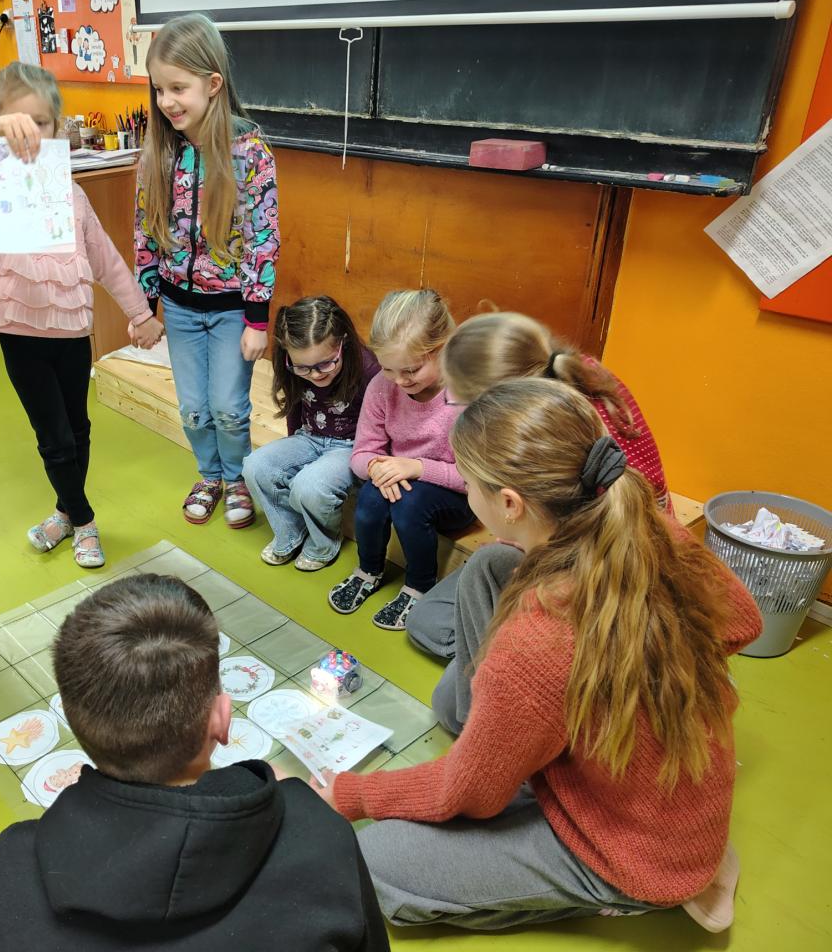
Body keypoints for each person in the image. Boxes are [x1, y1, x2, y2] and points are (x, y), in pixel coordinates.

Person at [306, 379, 760, 933]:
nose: (465, 491)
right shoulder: (641, 522)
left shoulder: (539, 641)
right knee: (489, 568)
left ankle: (631, 894)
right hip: (647, 787)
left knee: (370, 862)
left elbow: (467, 793)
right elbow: (745, 622)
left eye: (467, 481)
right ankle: (510, 745)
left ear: (509, 504)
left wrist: (347, 794)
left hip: (635, 849)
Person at [0, 573, 388, 951]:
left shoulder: (10, 865)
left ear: (77, 726)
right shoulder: (319, 834)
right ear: (221, 720)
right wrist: (290, 798)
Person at [0, 62, 163, 569]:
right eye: (17, 123)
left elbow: (106, 258)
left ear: (59, 126)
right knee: (54, 436)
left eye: (42, 123)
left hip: (71, 329)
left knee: (78, 427)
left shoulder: (73, 194)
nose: (31, 134)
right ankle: (86, 520)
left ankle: (65, 512)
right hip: (20, 334)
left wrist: (140, 313)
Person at [408, 307, 669, 665]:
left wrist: (532, 563)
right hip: (563, 544)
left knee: (445, 622)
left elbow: (562, 532)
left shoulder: (543, 436)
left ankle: (519, 662)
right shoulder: (575, 373)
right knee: (435, 614)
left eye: (459, 400)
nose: (452, 406)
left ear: (501, 400)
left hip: (589, 558)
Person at [137, 12, 280, 528]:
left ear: (213, 84)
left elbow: (263, 240)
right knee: (194, 407)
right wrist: (144, 304)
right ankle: (210, 475)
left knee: (228, 406)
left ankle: (237, 477)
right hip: (178, 307)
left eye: (178, 88)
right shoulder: (159, 151)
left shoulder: (250, 154)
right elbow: (145, 230)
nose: (166, 101)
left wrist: (257, 319)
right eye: (159, 89)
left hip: (231, 311)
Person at [328, 289, 473, 629]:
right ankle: (368, 570)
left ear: (443, 348)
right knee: (370, 496)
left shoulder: (465, 395)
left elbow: (474, 480)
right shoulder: (383, 386)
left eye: (410, 370)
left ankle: (420, 585)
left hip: (457, 495)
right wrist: (375, 466)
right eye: (388, 369)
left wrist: (416, 467)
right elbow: (362, 452)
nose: (399, 380)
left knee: (409, 504)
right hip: (401, 480)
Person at [241, 296, 379, 571]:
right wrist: (293, 444)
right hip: (308, 436)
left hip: (352, 446)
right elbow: (295, 403)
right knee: (255, 466)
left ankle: (323, 544)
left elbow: (381, 425)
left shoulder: (368, 369)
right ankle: (291, 531)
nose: (315, 375)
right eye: (303, 367)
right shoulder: (290, 364)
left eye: (325, 364)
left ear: (342, 343)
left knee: (310, 486)